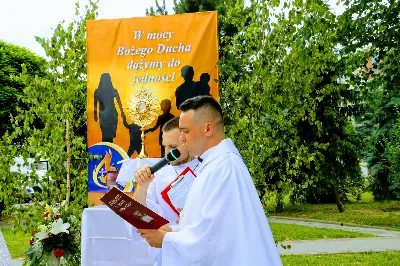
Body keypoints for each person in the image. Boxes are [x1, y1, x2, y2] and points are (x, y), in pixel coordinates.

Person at [137, 96, 283, 266]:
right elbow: (205, 225)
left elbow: (215, 236)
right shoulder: (214, 163)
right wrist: (173, 231)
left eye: (185, 131)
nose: (182, 138)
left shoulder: (224, 167)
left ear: (207, 129)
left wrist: (167, 239)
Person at [131, 117, 201, 265]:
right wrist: (142, 187)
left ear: (186, 141)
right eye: (165, 146)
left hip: (198, 256)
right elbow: (138, 218)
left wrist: (171, 230)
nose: (167, 153)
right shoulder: (158, 174)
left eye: (172, 146)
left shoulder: (206, 169)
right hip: (167, 257)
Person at [94, 73, 124, 143]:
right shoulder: (113, 90)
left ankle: (105, 151)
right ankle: (110, 151)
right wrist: (122, 113)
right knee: (110, 136)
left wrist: (95, 115)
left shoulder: (97, 91)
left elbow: (95, 104)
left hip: (103, 116)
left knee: (104, 135)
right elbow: (119, 103)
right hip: (112, 114)